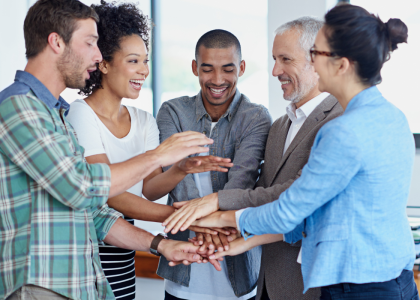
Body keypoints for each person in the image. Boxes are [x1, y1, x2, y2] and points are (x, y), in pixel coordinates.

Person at [169, 4, 419, 300]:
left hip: (360, 288)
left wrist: (221, 217)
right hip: (391, 281)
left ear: (341, 64)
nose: (312, 61)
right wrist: (241, 241)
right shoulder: (392, 115)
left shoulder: (344, 130)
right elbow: (320, 214)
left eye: (316, 54)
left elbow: (291, 210)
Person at [0, 1, 214, 299]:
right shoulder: (18, 107)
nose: (98, 55)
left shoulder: (55, 116)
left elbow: (96, 212)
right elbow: (84, 187)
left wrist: (162, 245)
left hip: (83, 284)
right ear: (56, 42)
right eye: (90, 42)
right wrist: (158, 156)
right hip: (42, 286)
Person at [163, 17, 343, 300]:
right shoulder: (281, 125)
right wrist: (232, 232)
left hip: (312, 286)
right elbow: (263, 192)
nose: (274, 71)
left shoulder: (340, 120)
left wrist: (216, 207)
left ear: (317, 59)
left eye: (285, 59)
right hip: (266, 283)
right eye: (274, 59)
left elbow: (295, 197)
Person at [66, 2, 233, 299]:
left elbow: (151, 189)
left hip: (124, 248)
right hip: (89, 248)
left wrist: (181, 168)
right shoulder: (80, 114)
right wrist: (187, 219)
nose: (144, 71)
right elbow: (106, 191)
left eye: (145, 61)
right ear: (103, 63)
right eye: (134, 61)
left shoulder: (143, 119)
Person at [156, 29, 272, 300]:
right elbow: (178, 184)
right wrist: (210, 225)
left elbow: (240, 186)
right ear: (195, 67)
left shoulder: (256, 117)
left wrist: (203, 221)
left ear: (241, 68)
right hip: (183, 275)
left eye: (228, 69)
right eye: (207, 69)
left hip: (240, 276)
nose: (217, 80)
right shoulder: (172, 111)